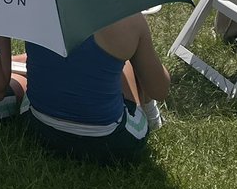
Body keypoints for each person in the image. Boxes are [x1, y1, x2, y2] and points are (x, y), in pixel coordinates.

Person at [19, 13, 170, 162]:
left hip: (38, 128)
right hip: (112, 143)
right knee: (127, 64)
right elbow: (159, 91)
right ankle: (150, 116)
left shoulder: (34, 8)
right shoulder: (128, 18)